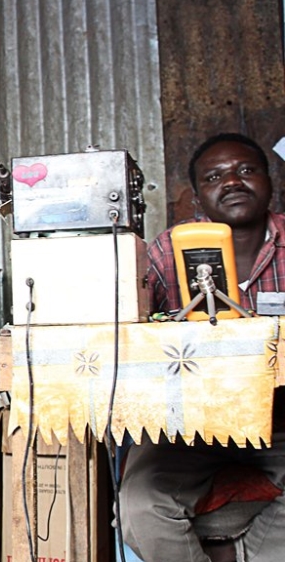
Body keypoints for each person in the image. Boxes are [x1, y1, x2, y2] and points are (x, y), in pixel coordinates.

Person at [119, 132, 285, 561]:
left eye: (246, 171)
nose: (232, 182)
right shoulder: (165, 252)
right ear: (197, 197)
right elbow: (125, 326)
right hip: (189, 425)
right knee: (140, 506)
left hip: (281, 419)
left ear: (270, 181)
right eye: (215, 176)